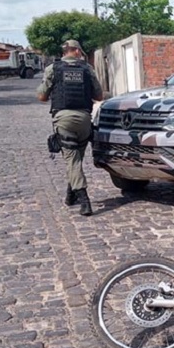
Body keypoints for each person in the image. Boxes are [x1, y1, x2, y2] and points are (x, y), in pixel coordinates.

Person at [37, 39, 104, 216]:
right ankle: (70, 196)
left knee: (72, 160)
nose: (81, 55)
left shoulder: (53, 69)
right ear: (76, 51)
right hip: (83, 120)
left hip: (64, 119)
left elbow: (42, 97)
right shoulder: (87, 69)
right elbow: (99, 95)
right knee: (75, 159)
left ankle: (85, 201)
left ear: (65, 51)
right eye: (80, 52)